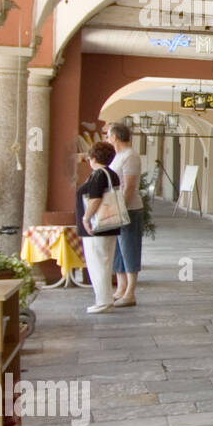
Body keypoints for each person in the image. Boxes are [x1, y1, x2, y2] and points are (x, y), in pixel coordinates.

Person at [76, 141, 124, 315]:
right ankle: (105, 300)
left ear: (93, 158)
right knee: (104, 262)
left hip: (97, 227)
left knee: (97, 264)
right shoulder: (112, 174)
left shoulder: (98, 175)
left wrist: (86, 218)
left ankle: (103, 302)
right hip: (110, 225)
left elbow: (95, 199)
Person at [106, 123, 143, 307]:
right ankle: (121, 288)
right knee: (118, 251)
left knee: (129, 248)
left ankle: (130, 292)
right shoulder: (119, 156)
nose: (106, 138)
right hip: (117, 207)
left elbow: (128, 187)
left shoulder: (131, 156)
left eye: (108, 135)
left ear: (114, 137)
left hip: (129, 209)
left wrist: (122, 209)